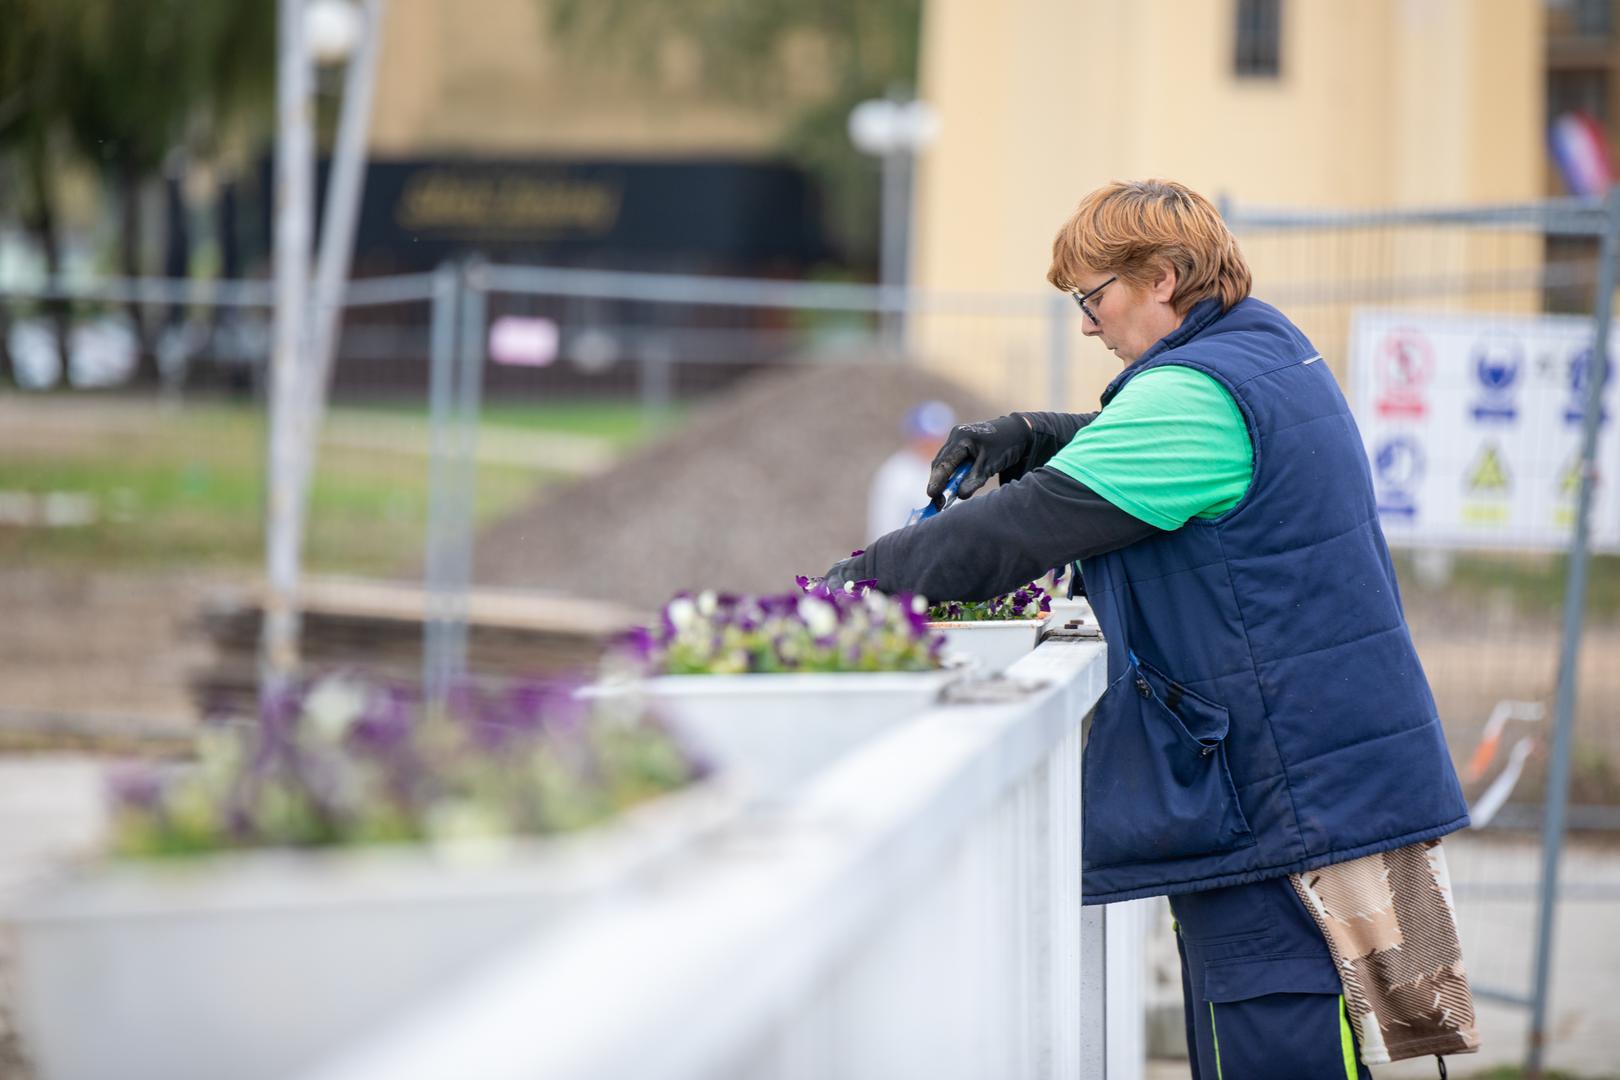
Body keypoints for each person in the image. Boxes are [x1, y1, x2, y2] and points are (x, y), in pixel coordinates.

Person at [826, 180, 1478, 1079]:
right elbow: (1162, 453)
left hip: (1281, 806)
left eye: (1093, 299)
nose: (1088, 327)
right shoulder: (1265, 349)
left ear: (1163, 278)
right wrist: (1038, 434)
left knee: (1273, 1045)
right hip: (1314, 786)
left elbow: (1018, 533)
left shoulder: (1196, 400)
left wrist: (840, 592)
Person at [866, 400, 956, 541]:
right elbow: (884, 528)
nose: (933, 446)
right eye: (927, 440)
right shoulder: (896, 475)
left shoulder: (953, 470)